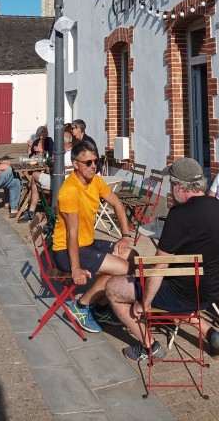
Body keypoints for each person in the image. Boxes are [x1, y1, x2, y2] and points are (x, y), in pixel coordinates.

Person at [105, 157, 219, 361]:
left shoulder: (179, 214)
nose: (171, 190)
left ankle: (149, 347)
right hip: (212, 288)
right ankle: (210, 333)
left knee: (113, 288)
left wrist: (144, 303)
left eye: (171, 184)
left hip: (187, 293)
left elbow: (159, 267)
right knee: (165, 282)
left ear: (179, 186)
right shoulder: (216, 205)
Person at [52, 139, 134, 334]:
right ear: (75, 164)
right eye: (87, 162)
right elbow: (72, 232)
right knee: (124, 269)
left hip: (87, 243)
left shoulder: (95, 181)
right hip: (66, 250)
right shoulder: (69, 190)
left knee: (132, 256)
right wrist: (76, 269)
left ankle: (102, 308)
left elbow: (117, 204)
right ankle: (81, 306)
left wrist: (125, 235)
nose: (93, 166)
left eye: (95, 161)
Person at [23, 124, 72, 222]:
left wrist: (50, 163)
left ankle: (32, 210)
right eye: (42, 131)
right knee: (37, 175)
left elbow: (53, 163)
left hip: (59, 182)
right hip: (69, 181)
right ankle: (39, 205)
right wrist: (29, 147)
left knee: (34, 176)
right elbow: (30, 155)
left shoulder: (61, 153)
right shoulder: (73, 152)